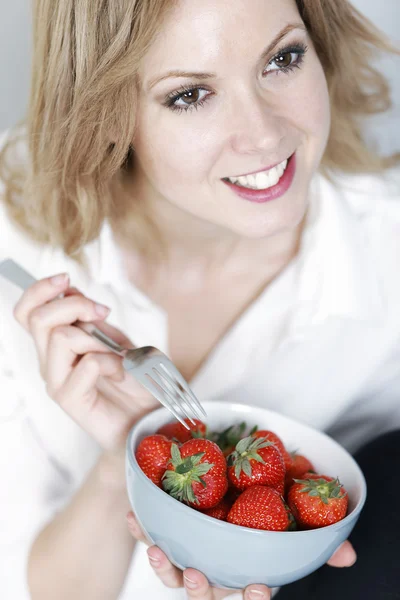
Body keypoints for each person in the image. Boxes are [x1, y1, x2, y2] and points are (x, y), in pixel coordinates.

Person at [0, 0, 399, 598]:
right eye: (190, 95)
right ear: (107, 116)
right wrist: (123, 463)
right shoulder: (17, 241)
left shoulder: (386, 251)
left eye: (284, 59)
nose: (265, 134)